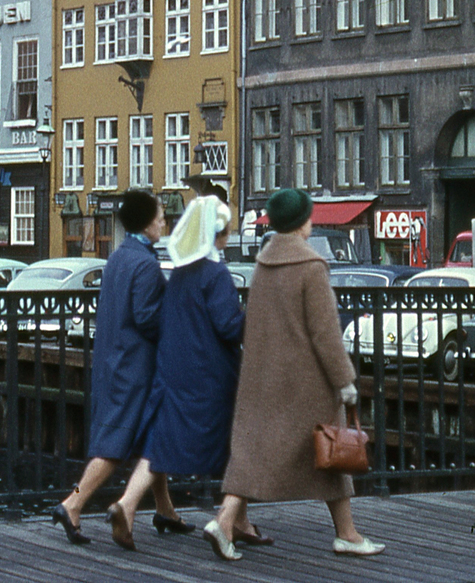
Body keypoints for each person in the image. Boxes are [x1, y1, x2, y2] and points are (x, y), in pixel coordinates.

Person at [206, 188, 383, 561]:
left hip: (264, 378)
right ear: (305, 221)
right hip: (306, 382)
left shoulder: (263, 263)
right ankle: (347, 535)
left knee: (255, 452)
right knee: (332, 451)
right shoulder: (311, 266)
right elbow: (325, 332)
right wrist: (344, 379)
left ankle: (225, 520)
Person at [105, 190, 261, 549]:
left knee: (161, 441)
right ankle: (232, 521)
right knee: (237, 442)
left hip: (172, 367)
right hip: (209, 373)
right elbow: (227, 326)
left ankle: (128, 504)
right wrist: (252, 315)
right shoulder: (216, 274)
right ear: (217, 234)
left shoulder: (182, 272)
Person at [51, 189, 179, 543]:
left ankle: (165, 509)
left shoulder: (119, 257)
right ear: (145, 222)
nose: (163, 222)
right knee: (117, 442)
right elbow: (147, 318)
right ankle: (73, 505)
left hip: (113, 358)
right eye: (159, 217)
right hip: (135, 366)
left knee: (152, 437)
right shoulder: (146, 264)